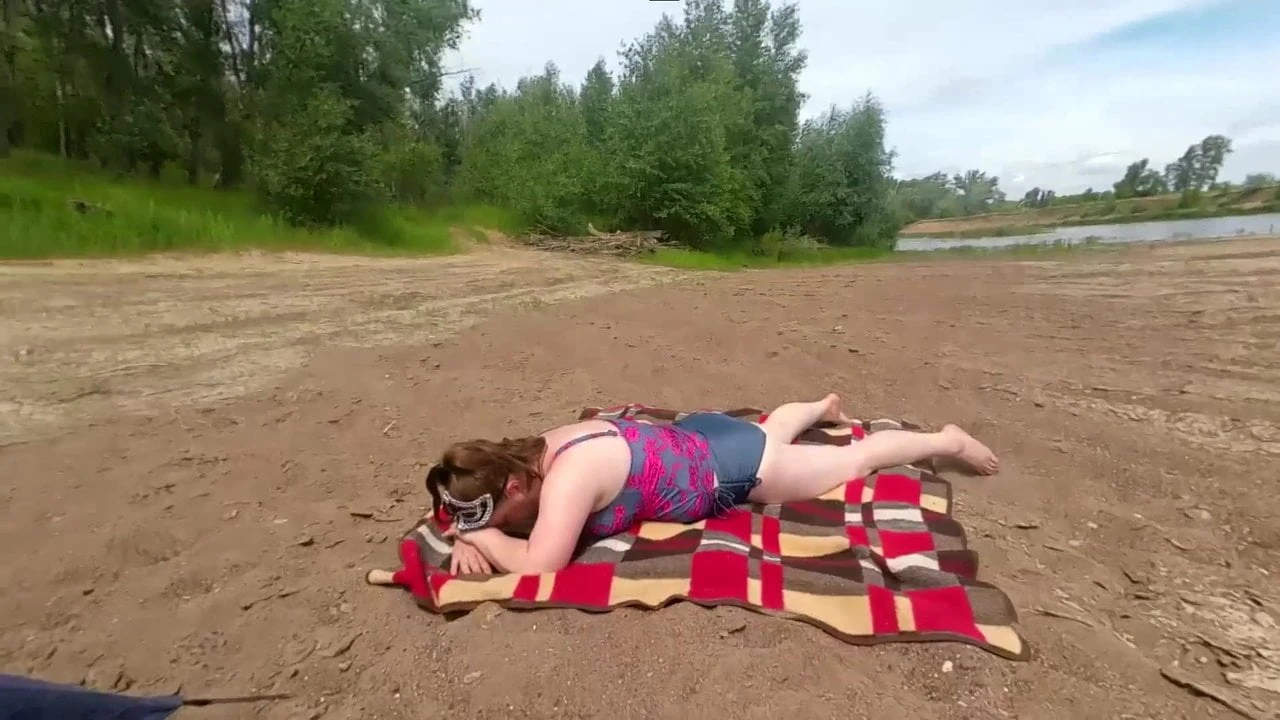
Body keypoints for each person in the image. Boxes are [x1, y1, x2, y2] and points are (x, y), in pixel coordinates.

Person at [426, 393, 999, 576]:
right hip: (702, 435)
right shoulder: (533, 449)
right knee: (773, 431)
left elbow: (542, 566)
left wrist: (484, 542)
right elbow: (466, 513)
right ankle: (822, 403)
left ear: (516, 491)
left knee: (854, 460)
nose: (475, 526)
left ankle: (947, 440)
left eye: (489, 515)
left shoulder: (566, 481)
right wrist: (473, 529)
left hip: (738, 470)